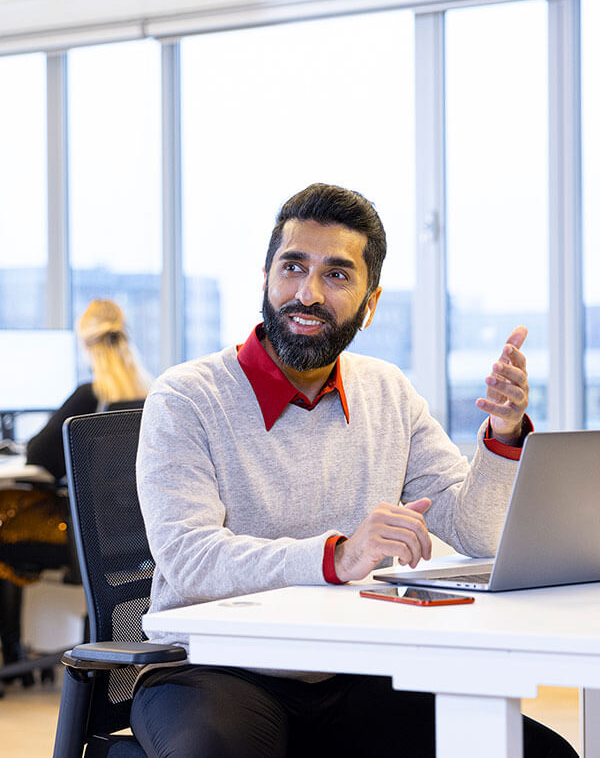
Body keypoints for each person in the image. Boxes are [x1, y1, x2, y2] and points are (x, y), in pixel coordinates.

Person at [133, 184, 577, 758]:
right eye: (293, 267)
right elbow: (190, 559)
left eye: (338, 275)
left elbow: (476, 531)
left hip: (356, 667)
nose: (307, 293)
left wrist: (506, 436)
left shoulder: (387, 390)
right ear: (266, 277)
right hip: (215, 669)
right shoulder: (188, 397)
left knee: (537, 753)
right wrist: (338, 557)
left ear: (371, 301)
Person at [0, 298, 151, 691]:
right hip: (135, 541)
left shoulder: (89, 396)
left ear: (86, 345)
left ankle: (13, 655)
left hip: (86, 540)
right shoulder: (152, 393)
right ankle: (17, 655)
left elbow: (39, 456)